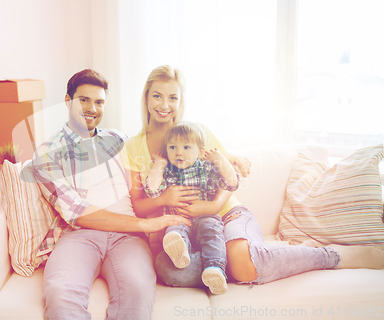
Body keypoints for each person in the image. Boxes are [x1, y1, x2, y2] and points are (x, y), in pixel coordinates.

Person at [125, 64, 384, 289]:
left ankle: (330, 256)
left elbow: (230, 172)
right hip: (184, 232)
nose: (164, 105)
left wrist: (214, 205)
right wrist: (165, 198)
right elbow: (138, 204)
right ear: (146, 97)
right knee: (168, 269)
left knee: (244, 267)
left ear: (180, 102)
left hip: (226, 214)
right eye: (157, 96)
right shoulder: (134, 146)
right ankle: (223, 261)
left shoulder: (196, 133)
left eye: (173, 98)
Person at [31, 69, 190, 320]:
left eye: (99, 102)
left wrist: (224, 157)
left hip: (128, 240)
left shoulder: (119, 139)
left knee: (137, 291)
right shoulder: (47, 154)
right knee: (60, 293)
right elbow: (77, 212)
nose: (92, 108)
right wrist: (145, 224)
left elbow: (173, 146)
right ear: (67, 101)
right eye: (83, 100)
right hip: (79, 236)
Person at [144, 121, 240, 294]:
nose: (179, 152)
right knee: (173, 231)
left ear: (201, 152)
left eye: (186, 147)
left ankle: (214, 269)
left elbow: (232, 183)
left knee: (212, 233)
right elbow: (152, 190)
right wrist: (159, 164)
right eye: (172, 147)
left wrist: (220, 159)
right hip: (179, 219)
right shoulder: (168, 171)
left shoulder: (207, 169)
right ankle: (180, 253)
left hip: (206, 216)